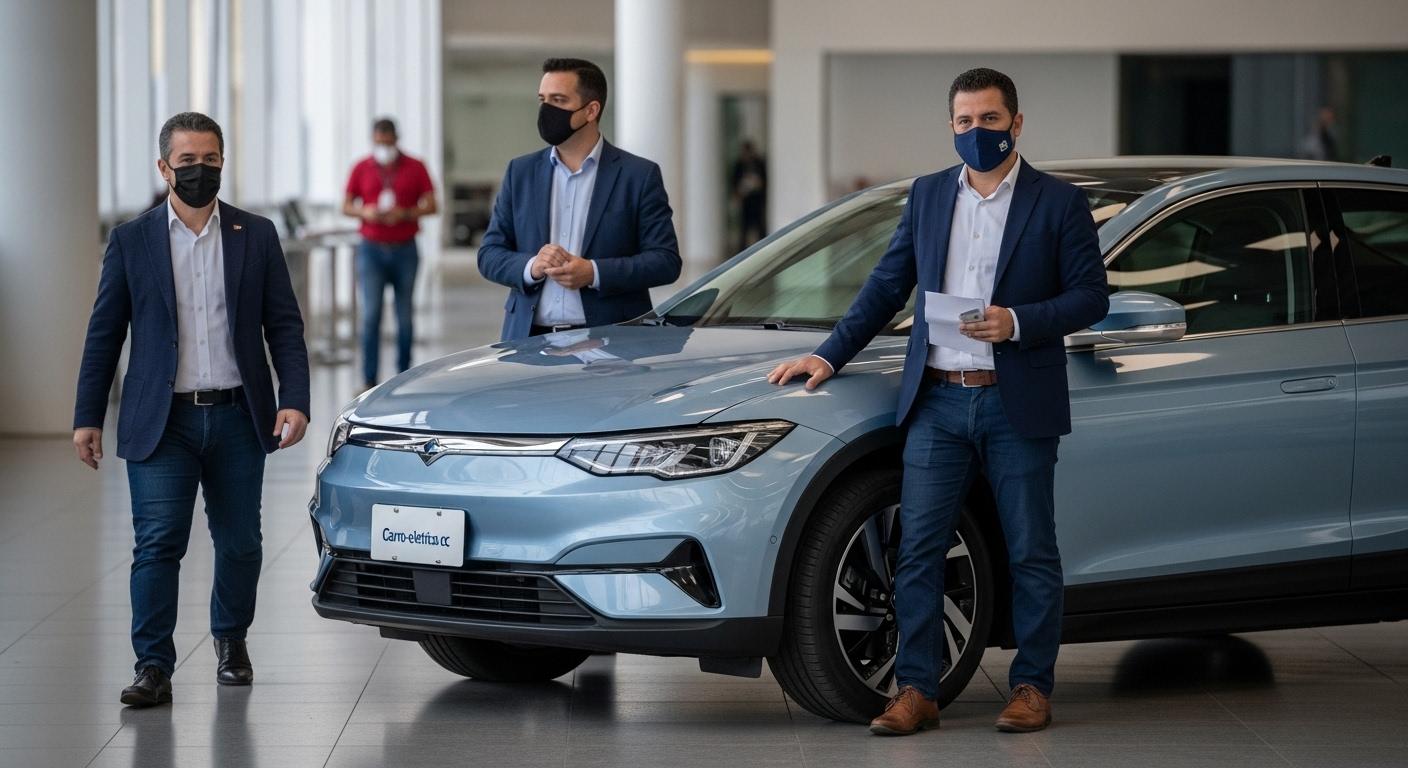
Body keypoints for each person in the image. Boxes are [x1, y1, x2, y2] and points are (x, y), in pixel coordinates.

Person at [767, 68, 1109, 736]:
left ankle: (1032, 688)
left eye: (988, 120)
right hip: (939, 404)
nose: (975, 132)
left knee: (1031, 549)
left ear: (1016, 122)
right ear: (949, 126)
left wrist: (1018, 321)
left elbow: (1091, 296)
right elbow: (886, 286)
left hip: (1018, 405)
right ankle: (917, 689)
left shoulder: (1058, 203)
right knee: (917, 549)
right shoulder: (927, 197)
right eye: (963, 122)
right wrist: (829, 354)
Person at [72, 112, 311, 708]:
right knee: (158, 544)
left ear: (223, 163)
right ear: (164, 168)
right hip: (162, 420)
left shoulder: (255, 234)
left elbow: (284, 325)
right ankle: (152, 664)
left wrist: (296, 400)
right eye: (187, 162)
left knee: (240, 542)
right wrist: (87, 414)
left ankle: (231, 642)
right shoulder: (132, 240)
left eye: (210, 161)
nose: (199, 171)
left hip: (237, 416)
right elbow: (104, 332)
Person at [477, 57, 681, 341]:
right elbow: (489, 254)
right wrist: (532, 266)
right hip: (527, 344)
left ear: (591, 110)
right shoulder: (520, 172)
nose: (547, 110)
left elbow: (665, 261)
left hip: (611, 346)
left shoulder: (639, 175)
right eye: (542, 99)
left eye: (558, 100)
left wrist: (594, 272)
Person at [342, 117, 438, 388]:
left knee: (404, 315)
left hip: (405, 249)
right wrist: (366, 211)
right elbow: (347, 205)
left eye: (387, 142)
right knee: (371, 315)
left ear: (396, 139)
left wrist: (405, 213)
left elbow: (432, 204)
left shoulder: (415, 166)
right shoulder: (362, 167)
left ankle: (403, 376)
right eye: (378, 142)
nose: (383, 147)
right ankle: (369, 379)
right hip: (371, 250)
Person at [731, 139, 767, 252]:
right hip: (745, 202)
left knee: (760, 226)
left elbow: (764, 181)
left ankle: (765, 247)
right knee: (744, 228)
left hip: (756, 201)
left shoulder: (759, 163)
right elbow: (734, 182)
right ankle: (742, 252)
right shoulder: (739, 164)